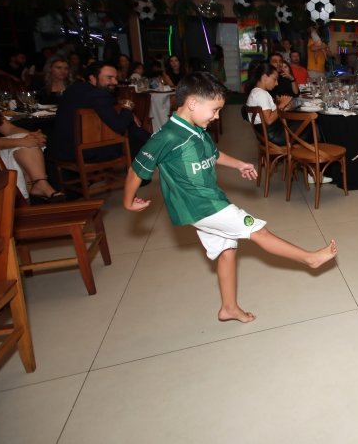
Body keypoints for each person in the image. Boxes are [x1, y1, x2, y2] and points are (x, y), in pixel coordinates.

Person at [124, 72, 338, 323]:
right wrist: (129, 201)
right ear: (193, 103)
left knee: (227, 251)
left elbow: (213, 155)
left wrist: (238, 165)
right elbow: (136, 169)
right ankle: (309, 259)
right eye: (214, 110)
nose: (216, 117)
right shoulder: (167, 137)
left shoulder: (197, 128)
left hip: (208, 201)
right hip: (204, 206)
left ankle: (229, 308)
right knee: (258, 232)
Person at [52, 61, 151, 162]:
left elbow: (108, 104)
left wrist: (125, 110)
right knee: (133, 135)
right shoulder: (98, 94)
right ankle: (144, 168)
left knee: (134, 131)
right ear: (92, 78)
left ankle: (155, 146)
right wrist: (128, 105)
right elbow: (120, 126)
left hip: (65, 149)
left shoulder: (74, 88)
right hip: (85, 152)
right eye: (109, 78)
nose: (115, 82)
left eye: (115, 78)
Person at [0, 97, 63, 202]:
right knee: (22, 144)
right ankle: (38, 189)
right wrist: (21, 141)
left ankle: (40, 186)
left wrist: (31, 136)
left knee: (26, 144)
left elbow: (10, 129)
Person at [245, 62, 292, 146]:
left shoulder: (255, 91)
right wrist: (282, 105)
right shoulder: (261, 94)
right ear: (265, 77)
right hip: (273, 135)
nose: (277, 83)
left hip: (264, 134)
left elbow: (267, 115)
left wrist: (283, 107)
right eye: (275, 79)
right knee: (309, 126)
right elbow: (269, 120)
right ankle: (304, 156)